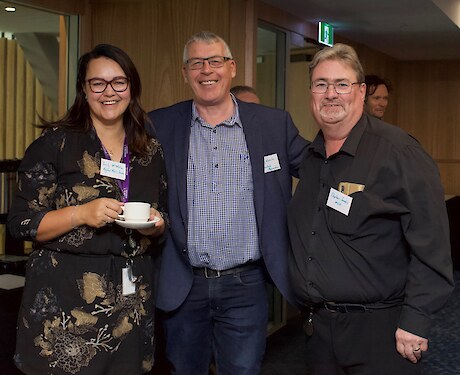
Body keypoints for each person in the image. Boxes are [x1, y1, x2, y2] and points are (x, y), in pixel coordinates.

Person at [287, 43, 454, 375]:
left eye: (342, 84)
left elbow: (432, 246)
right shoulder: (310, 158)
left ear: (361, 92)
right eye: (321, 84)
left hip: (382, 332)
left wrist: (416, 321)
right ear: (311, 94)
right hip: (317, 331)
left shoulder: (399, 152)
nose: (330, 94)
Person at [147, 31, 308, 375]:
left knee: (243, 370)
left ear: (232, 68)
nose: (207, 70)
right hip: (184, 282)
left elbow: (317, 168)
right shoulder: (160, 124)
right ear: (185, 72)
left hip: (245, 285)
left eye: (215, 61)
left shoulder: (272, 124)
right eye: (196, 63)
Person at [7, 44, 168, 375]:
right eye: (98, 83)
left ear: (132, 87)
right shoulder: (55, 145)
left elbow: (161, 215)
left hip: (130, 299)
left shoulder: (148, 151)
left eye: (119, 82)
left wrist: (157, 225)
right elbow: (20, 223)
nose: (109, 92)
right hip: (66, 304)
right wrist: (80, 214)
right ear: (84, 88)